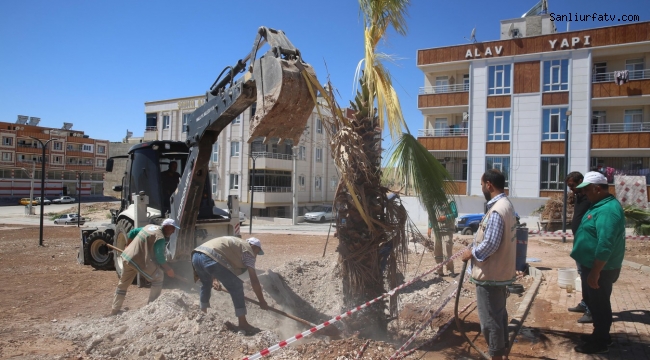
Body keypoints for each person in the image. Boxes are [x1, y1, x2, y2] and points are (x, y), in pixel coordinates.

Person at [461, 169, 517, 360]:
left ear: (489, 185)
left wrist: (471, 252)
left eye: (482, 185)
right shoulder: (506, 205)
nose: (482, 188)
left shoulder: (496, 210)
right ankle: (502, 351)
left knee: (490, 321)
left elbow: (492, 243)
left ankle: (496, 355)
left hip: (491, 275)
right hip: (500, 273)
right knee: (499, 315)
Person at [571, 171, 625, 355]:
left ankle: (601, 341)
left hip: (601, 269)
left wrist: (595, 272)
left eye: (587, 189)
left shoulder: (608, 210)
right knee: (596, 304)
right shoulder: (599, 205)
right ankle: (598, 335)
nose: (584, 193)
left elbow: (605, 244)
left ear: (597, 188)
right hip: (594, 266)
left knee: (600, 306)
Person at [191, 236, 269, 335]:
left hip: (196, 255)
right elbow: (254, 280)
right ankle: (243, 323)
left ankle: (203, 315)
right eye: (257, 252)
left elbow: (218, 256)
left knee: (206, 284)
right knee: (237, 286)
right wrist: (262, 301)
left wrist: (215, 280)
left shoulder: (236, 245)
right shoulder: (248, 252)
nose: (256, 255)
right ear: (253, 247)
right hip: (209, 258)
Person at [110, 218, 179, 316]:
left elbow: (133, 232)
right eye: (173, 229)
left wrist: (128, 246)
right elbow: (160, 257)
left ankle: (115, 309)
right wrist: (168, 269)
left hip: (127, 257)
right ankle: (151, 307)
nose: (173, 232)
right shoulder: (159, 237)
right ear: (167, 227)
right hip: (138, 261)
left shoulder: (149, 227)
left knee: (123, 284)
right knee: (159, 276)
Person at [565, 172, 592, 323]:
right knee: (582, 273)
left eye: (572, 186)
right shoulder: (579, 196)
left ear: (581, 182)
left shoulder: (589, 197)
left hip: (586, 241)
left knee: (588, 275)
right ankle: (585, 303)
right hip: (579, 241)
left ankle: (591, 309)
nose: (571, 189)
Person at [427, 201, 458, 276]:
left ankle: (450, 271)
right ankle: (439, 271)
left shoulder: (450, 201)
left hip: (447, 230)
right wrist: (429, 227)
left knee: (447, 251)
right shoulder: (434, 203)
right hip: (437, 230)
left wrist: (445, 217)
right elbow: (431, 216)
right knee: (437, 252)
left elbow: (455, 214)